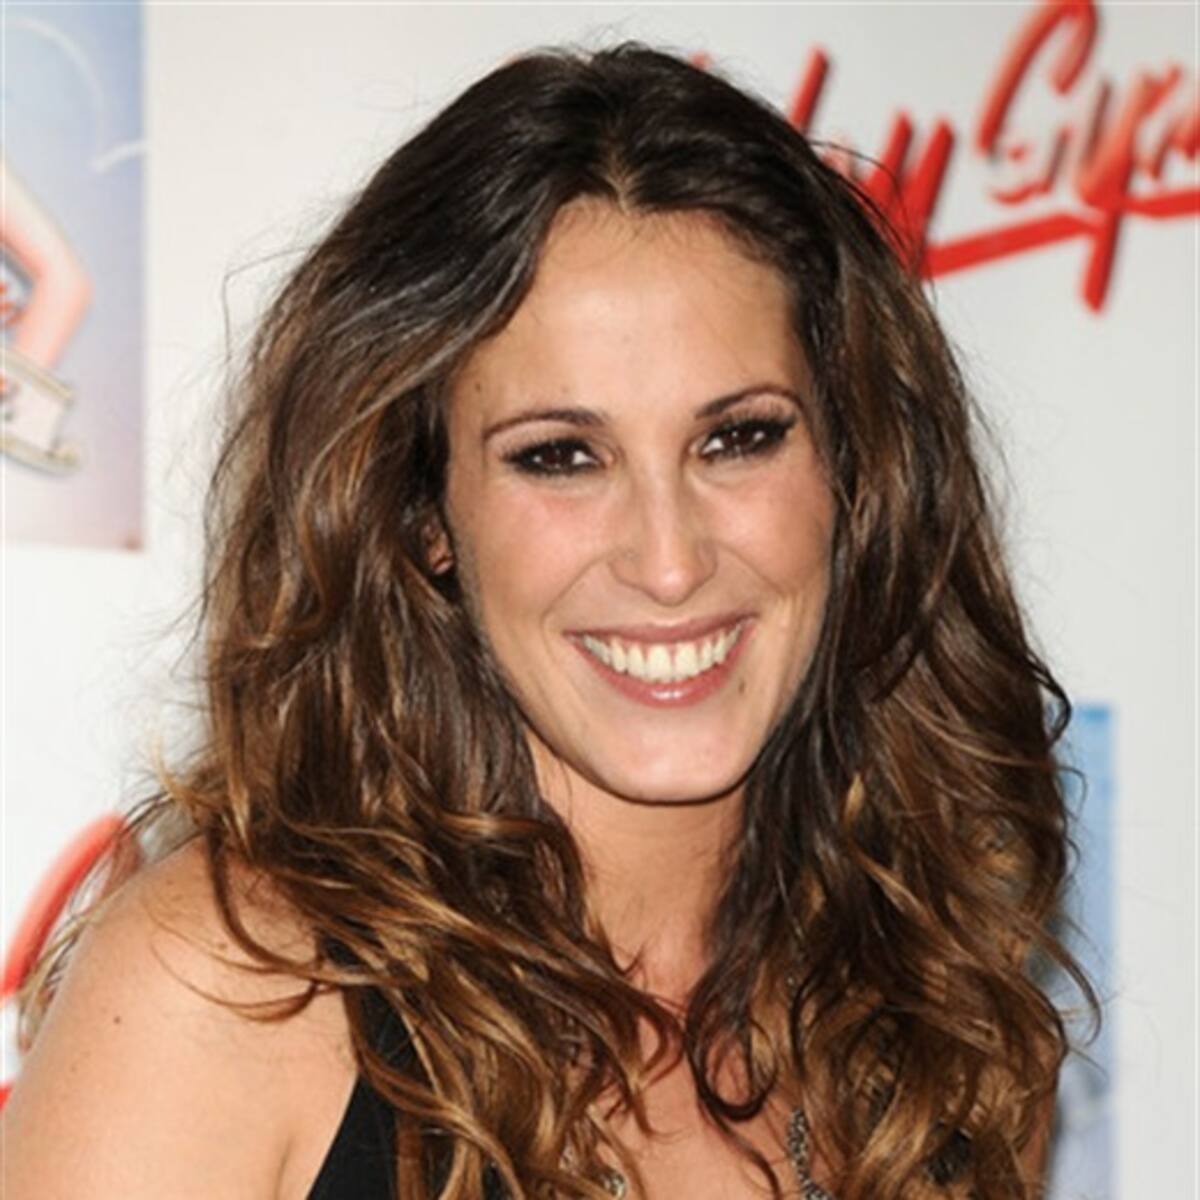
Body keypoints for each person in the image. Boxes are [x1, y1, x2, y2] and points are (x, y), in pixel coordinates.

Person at [2, 44, 1093, 1200]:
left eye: (738, 439)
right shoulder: (230, 996)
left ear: (855, 472)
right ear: (425, 512)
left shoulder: (959, 1036)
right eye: (561, 457)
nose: (669, 562)